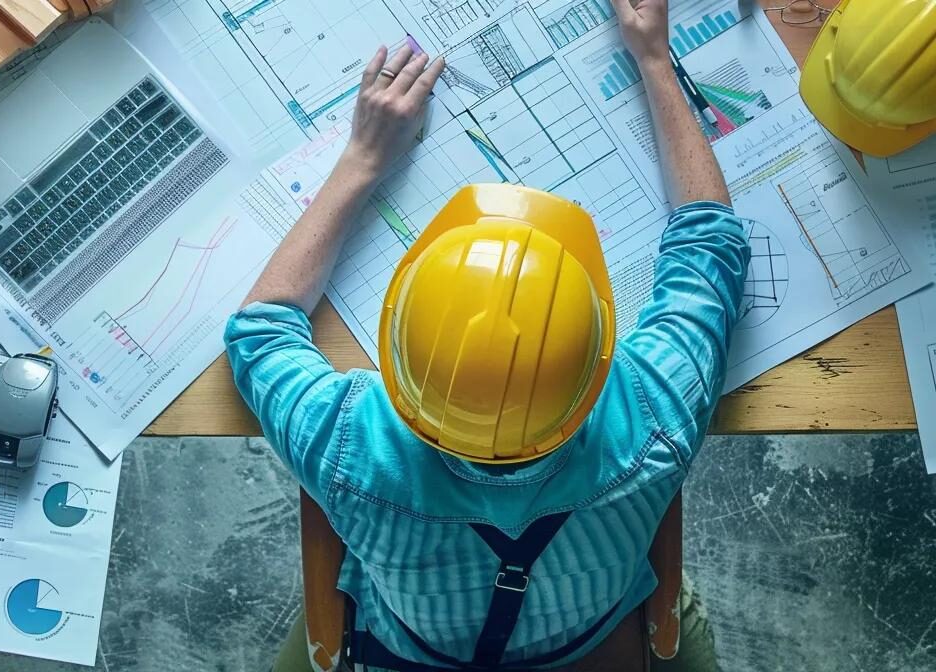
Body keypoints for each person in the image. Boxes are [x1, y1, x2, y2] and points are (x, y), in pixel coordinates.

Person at [226, 0, 749, 668]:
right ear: (598, 367)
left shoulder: (351, 451)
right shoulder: (651, 419)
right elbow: (709, 245)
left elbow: (258, 330)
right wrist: (653, 58)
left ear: (400, 361)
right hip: (594, 645)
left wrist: (360, 157)